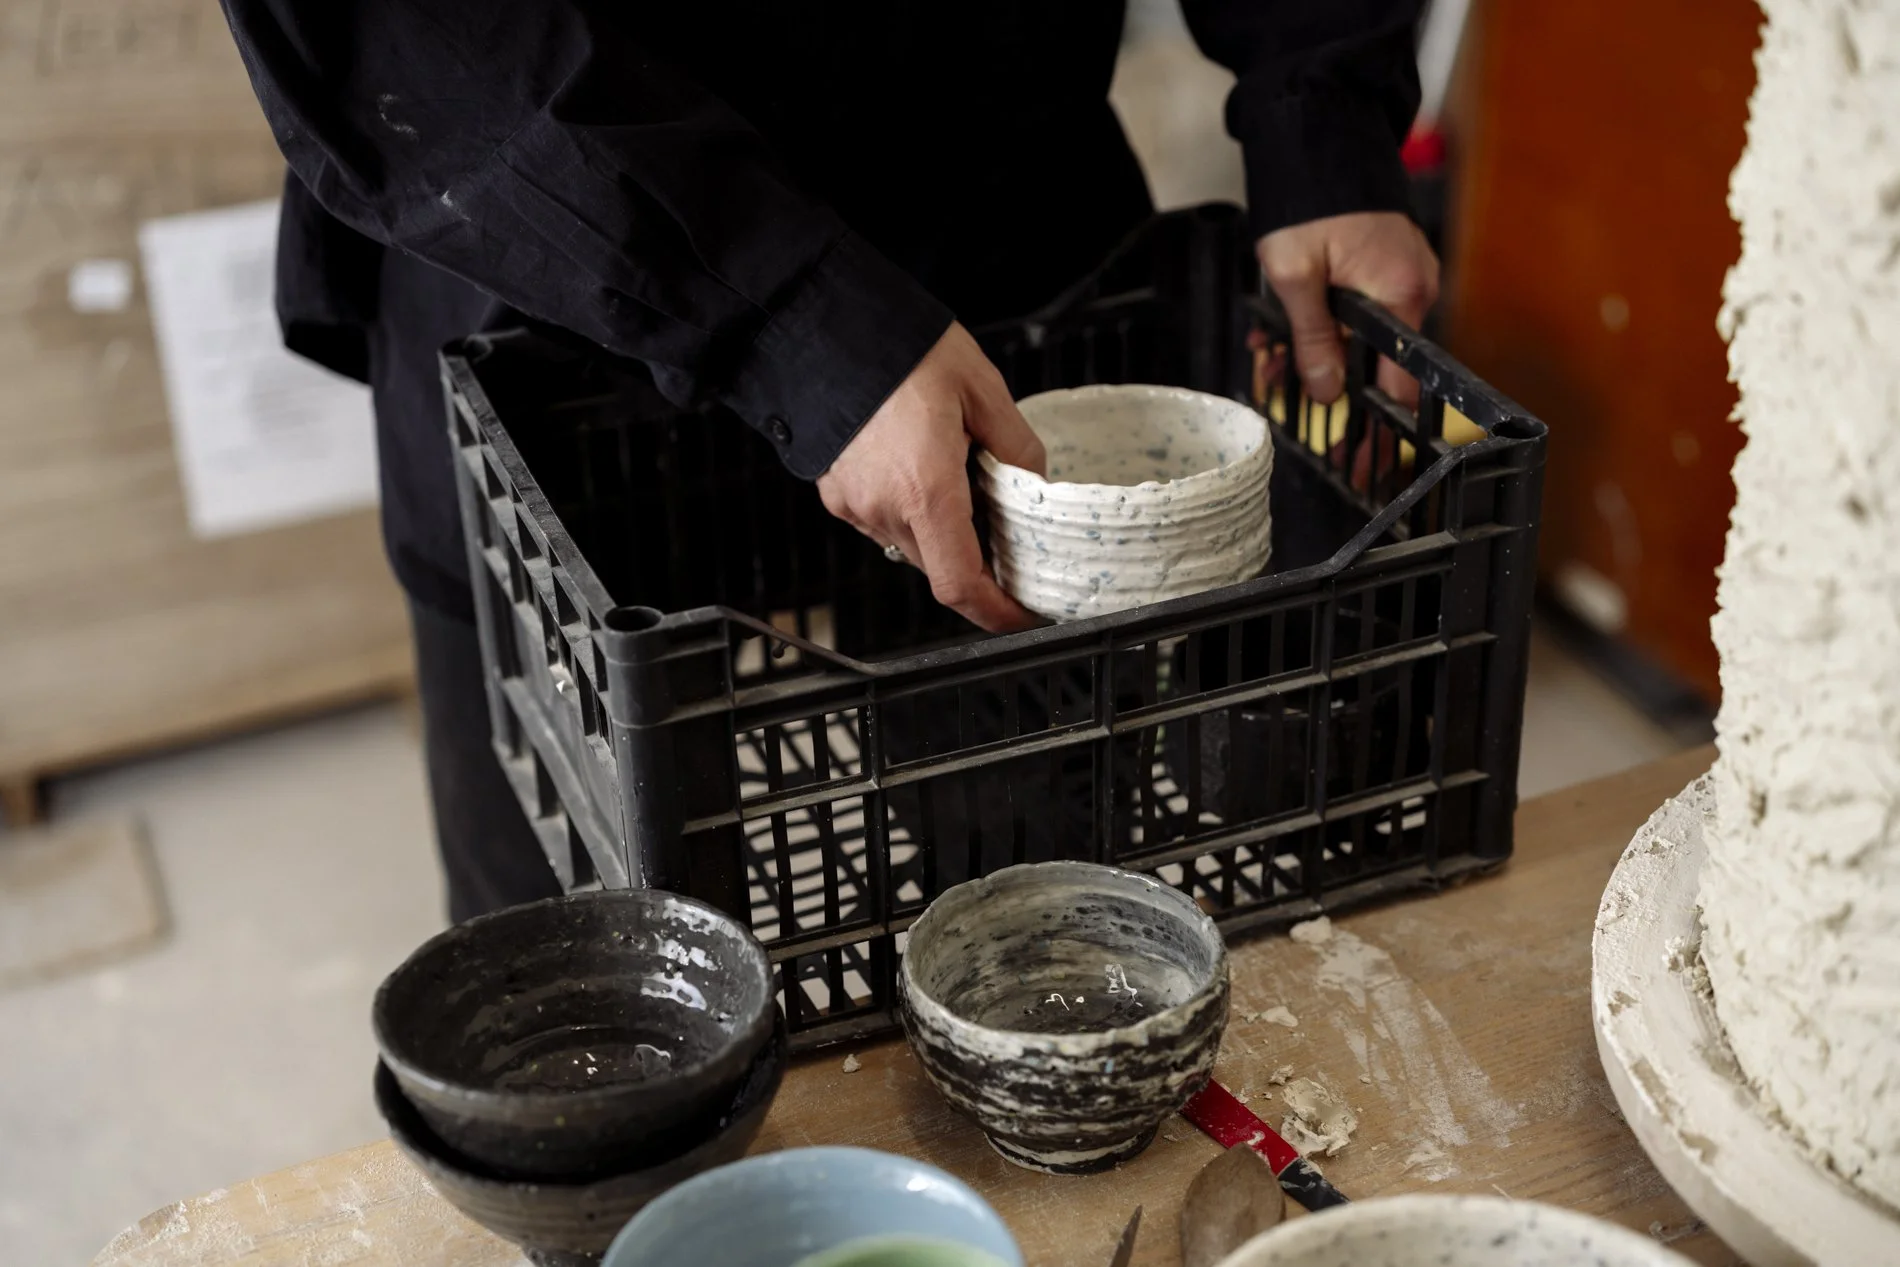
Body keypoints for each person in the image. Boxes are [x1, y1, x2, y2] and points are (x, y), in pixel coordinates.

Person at [215, 0, 1439, 922]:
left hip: (995, 231)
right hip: (554, 260)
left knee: (1033, 906)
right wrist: (800, 319)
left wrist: (1319, 111)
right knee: (601, 998)